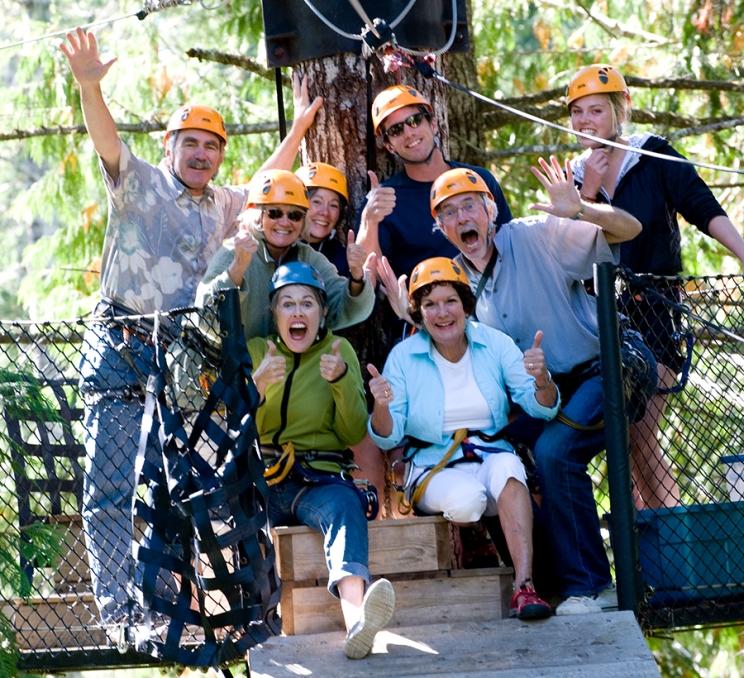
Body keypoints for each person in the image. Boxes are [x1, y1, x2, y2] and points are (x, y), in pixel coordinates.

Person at [380, 160, 642, 614]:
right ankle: (548, 582)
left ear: (490, 211)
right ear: (440, 228)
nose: (463, 218)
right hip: (547, 389)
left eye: (470, 206)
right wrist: (410, 315)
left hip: (608, 368)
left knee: (555, 453)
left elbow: (629, 229)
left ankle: (592, 586)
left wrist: (582, 209)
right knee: (502, 450)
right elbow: (448, 329)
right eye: (450, 213)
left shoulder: (537, 235)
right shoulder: (457, 281)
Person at [59, 28, 250, 634]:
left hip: (176, 362)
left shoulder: (219, 204)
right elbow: (106, 140)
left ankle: (172, 602)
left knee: (177, 483)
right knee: (111, 484)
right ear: (169, 147)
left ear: (220, 156)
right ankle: (120, 614)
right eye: (189, 143)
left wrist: (299, 128)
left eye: (210, 146)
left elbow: (270, 181)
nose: (200, 154)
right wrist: (90, 85)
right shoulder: (138, 182)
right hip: (119, 346)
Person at [565, 64, 744, 508]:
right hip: (596, 319)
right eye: (577, 113)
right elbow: (570, 248)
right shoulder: (568, 177)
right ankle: (645, 555)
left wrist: (742, 251)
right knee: (621, 445)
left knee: (642, 433)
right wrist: (586, 192)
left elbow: (702, 206)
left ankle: (671, 543)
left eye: (596, 111)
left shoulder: (652, 156)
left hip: (654, 309)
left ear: (618, 111)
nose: (586, 121)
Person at [367, 257, 558, 620]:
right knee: (469, 500)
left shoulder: (495, 343)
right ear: (419, 313)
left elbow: (541, 408)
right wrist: (381, 405)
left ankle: (525, 587)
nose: (442, 313)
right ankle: (469, 537)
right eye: (430, 304)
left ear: (465, 305)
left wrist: (542, 380)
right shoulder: (404, 357)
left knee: (510, 468)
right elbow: (387, 433)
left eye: (450, 301)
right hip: (432, 465)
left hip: (489, 454)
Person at [247, 261, 395, 659]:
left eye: (308, 304)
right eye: (288, 304)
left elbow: (350, 433)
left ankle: (357, 621)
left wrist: (342, 381)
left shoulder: (337, 350)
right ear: (274, 314)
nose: (298, 313)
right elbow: (235, 426)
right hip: (264, 478)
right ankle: (249, 629)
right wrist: (256, 387)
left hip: (318, 479)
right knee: (240, 521)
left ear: (322, 313)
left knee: (346, 507)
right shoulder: (257, 351)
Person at [195, 169, 375, 340]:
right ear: (258, 216)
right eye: (274, 213)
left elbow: (343, 310)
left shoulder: (309, 258)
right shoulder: (234, 252)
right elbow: (205, 320)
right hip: (224, 367)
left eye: (295, 215)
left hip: (282, 368)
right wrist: (237, 268)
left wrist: (357, 276)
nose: (284, 222)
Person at [356, 84, 513, 280]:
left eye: (414, 121)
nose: (409, 133)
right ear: (389, 146)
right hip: (428, 308)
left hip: (493, 300)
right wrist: (369, 221)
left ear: (433, 123)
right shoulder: (384, 201)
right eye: (396, 130)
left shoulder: (479, 180)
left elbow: (511, 247)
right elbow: (368, 277)